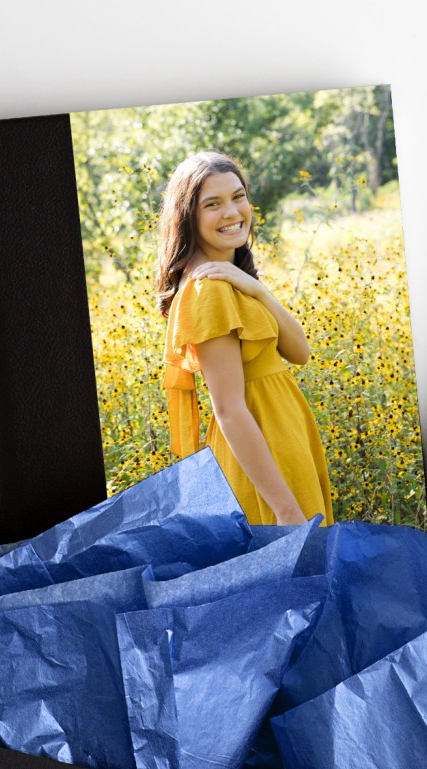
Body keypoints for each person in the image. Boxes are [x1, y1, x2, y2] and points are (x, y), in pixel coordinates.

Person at [157, 151, 333, 525]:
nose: (233, 212)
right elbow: (229, 410)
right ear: (188, 217)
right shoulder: (209, 290)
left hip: (285, 439)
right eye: (213, 204)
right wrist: (285, 510)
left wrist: (259, 290)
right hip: (265, 462)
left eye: (238, 196)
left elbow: (299, 352)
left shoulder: (231, 278)